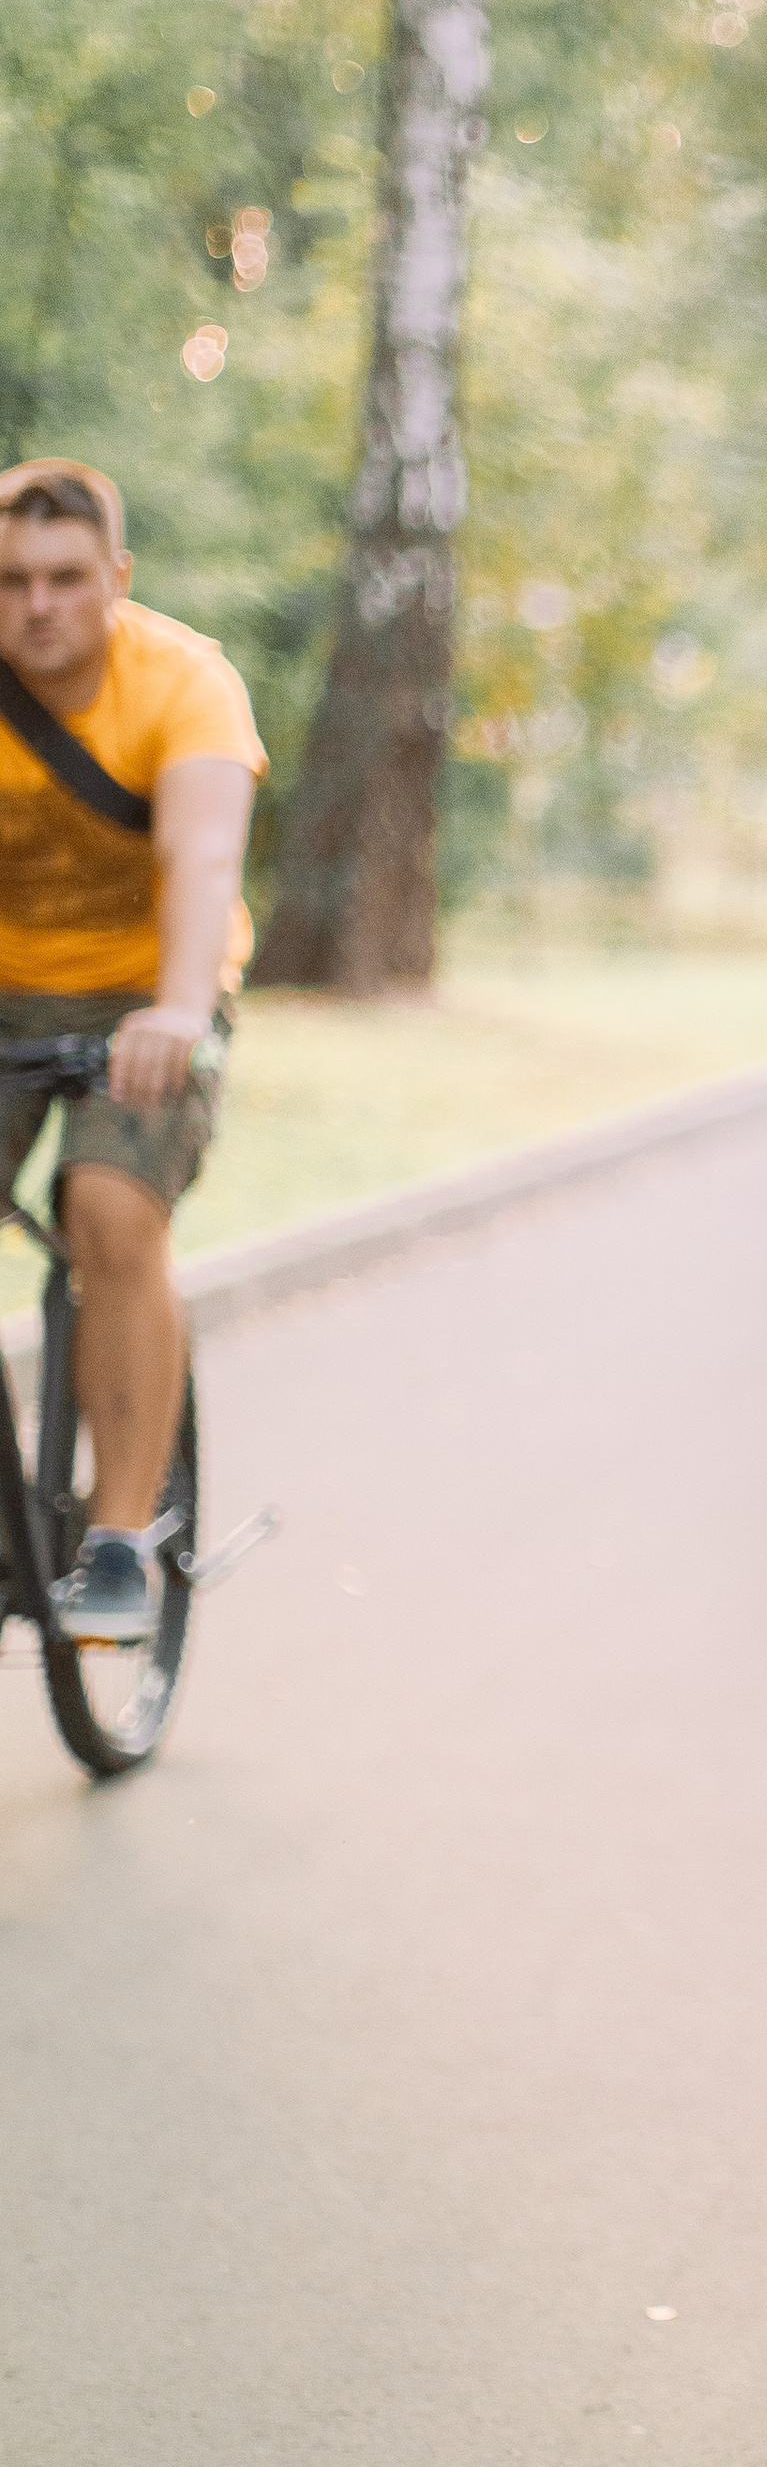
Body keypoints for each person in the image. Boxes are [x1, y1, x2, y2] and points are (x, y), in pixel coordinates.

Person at [0, 462, 263, 1642]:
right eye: (10, 582)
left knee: (109, 1208)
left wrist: (176, 1007)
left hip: (147, 994)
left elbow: (201, 862)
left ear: (117, 579)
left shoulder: (184, 684)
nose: (38, 606)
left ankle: (116, 1540)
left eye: (65, 579)